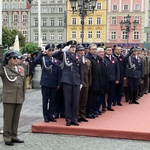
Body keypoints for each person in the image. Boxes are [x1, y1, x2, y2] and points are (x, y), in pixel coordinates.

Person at [52, 40, 83, 126]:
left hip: (76, 81)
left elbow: (81, 70)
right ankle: (68, 119)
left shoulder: (79, 57)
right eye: (71, 47)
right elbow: (54, 56)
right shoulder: (64, 55)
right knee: (68, 101)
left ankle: (74, 118)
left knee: (75, 101)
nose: (73, 49)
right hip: (67, 80)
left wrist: (81, 82)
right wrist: (62, 50)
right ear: (68, 48)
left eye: (74, 47)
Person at [0, 51, 25, 146]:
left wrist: (23, 96)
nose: (16, 59)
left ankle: (14, 135)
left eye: (17, 58)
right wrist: (2, 62)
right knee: (8, 118)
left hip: (19, 96)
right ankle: (7, 137)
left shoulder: (21, 68)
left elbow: (22, 84)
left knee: (16, 118)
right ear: (8, 60)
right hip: (9, 97)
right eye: (14, 58)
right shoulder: (4, 69)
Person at [34, 44, 61, 123]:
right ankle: (45, 116)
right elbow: (35, 61)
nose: (51, 52)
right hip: (45, 83)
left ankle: (51, 115)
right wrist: (42, 53)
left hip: (54, 83)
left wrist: (58, 83)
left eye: (52, 51)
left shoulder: (56, 60)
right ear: (46, 51)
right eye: (49, 50)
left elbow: (58, 72)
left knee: (52, 101)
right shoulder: (43, 59)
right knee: (45, 101)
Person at [76, 44, 91, 122]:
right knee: (77, 100)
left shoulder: (88, 61)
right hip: (78, 83)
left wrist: (89, 82)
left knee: (84, 101)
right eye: (80, 51)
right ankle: (77, 115)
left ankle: (83, 115)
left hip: (85, 83)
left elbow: (89, 73)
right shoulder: (75, 60)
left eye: (83, 50)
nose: (82, 52)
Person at [85, 43, 101, 118]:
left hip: (97, 81)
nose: (95, 50)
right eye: (93, 49)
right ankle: (88, 112)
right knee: (90, 98)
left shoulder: (97, 57)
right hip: (91, 81)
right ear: (89, 50)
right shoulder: (87, 57)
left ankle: (92, 111)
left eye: (95, 49)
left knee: (94, 98)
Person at [104, 47, 120, 111]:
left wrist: (117, 79)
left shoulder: (114, 59)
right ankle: (103, 105)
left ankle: (109, 105)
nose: (109, 51)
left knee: (111, 93)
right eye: (108, 50)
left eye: (110, 50)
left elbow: (117, 70)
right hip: (105, 79)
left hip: (112, 79)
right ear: (105, 51)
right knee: (104, 93)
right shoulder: (103, 58)